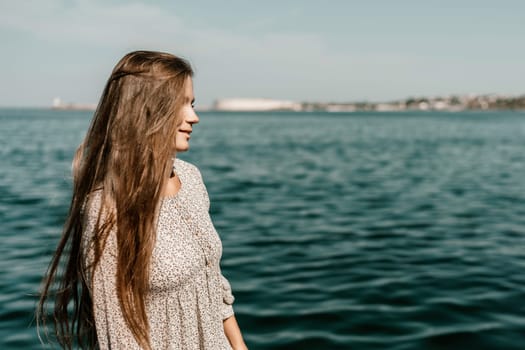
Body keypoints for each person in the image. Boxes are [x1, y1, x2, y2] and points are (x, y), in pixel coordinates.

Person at [38, 50, 248, 350]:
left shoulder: (191, 179)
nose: (194, 117)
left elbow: (213, 282)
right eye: (181, 104)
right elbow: (119, 335)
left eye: (193, 103)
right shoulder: (107, 208)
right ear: (146, 110)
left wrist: (239, 346)